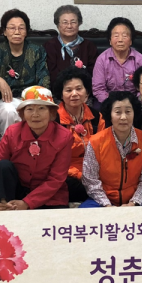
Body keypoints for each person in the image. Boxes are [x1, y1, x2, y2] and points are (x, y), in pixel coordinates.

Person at [0, 86, 72, 210]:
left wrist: (27, 202)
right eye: (29, 109)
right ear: (22, 114)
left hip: (49, 196)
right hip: (16, 192)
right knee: (3, 166)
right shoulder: (12, 132)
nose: (35, 114)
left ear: (51, 113)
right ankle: (3, 207)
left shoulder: (64, 136)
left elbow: (56, 178)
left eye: (41, 108)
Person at [80, 91, 142, 207]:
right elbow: (90, 180)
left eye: (128, 111)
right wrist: (107, 205)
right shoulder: (96, 142)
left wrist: (133, 203)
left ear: (134, 113)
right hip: (103, 198)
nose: (123, 117)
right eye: (118, 112)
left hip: (136, 197)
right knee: (84, 212)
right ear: (110, 115)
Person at [0, 9, 50, 135]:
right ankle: (8, 144)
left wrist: (35, 99)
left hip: (32, 98)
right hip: (6, 99)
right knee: (8, 111)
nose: (17, 32)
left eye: (21, 28)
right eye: (12, 28)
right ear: (5, 32)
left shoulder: (37, 51)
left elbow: (44, 78)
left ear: (26, 31)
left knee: (35, 111)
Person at [54, 67, 105, 205]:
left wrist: (93, 174)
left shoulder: (96, 116)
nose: (74, 94)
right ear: (61, 94)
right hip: (66, 172)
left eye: (79, 89)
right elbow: (55, 159)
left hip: (93, 171)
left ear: (87, 92)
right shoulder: (54, 120)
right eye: (68, 90)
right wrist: (79, 175)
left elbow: (103, 150)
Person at [92, 17, 142, 103]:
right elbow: (98, 89)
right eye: (116, 36)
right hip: (109, 102)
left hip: (134, 102)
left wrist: (133, 103)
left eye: (124, 36)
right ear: (110, 41)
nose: (120, 40)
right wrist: (112, 104)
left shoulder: (140, 60)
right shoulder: (102, 60)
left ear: (131, 41)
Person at [44, 5, 99, 84]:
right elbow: (49, 75)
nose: (69, 26)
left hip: (83, 89)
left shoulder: (89, 46)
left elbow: (94, 74)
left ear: (79, 24)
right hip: (58, 89)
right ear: (58, 25)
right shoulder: (49, 46)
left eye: (73, 22)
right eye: (65, 22)